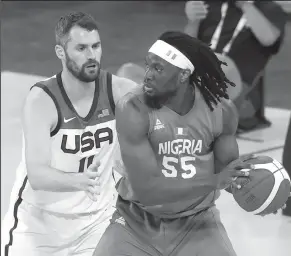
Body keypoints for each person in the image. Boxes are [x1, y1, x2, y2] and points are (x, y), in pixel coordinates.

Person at [93, 31, 255, 256]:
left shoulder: (221, 111)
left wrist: (258, 182)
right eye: (147, 65)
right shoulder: (133, 108)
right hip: (136, 220)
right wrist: (215, 180)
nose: (147, 75)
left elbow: (229, 175)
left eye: (158, 69)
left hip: (197, 222)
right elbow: (150, 191)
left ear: (183, 75)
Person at [1, 12, 136, 256]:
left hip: (96, 223)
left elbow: (166, 111)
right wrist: (80, 180)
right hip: (38, 227)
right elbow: (37, 175)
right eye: (81, 48)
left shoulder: (118, 90)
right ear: (60, 52)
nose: (91, 55)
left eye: (96, 46)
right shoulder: (42, 101)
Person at [184, 1, 287, 132]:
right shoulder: (211, 5)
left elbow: (268, 39)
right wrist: (193, 21)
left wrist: (245, 5)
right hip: (202, 70)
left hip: (235, 80)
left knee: (220, 67)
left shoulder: (268, 8)